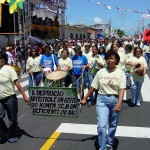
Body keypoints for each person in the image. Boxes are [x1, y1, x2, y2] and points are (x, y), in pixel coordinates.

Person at [80, 50, 126, 150]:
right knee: (102, 126)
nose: (110, 60)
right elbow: (93, 87)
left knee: (113, 124)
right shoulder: (101, 72)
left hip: (115, 99)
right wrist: (85, 98)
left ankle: (109, 143)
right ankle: (102, 147)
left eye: (112, 58)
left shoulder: (121, 73)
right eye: (108, 58)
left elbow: (122, 89)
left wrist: (119, 103)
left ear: (116, 60)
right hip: (102, 100)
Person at [0, 51, 29, 143]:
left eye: (0, 58)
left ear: (4, 59)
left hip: (10, 98)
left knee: (12, 118)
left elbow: (17, 83)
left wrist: (24, 95)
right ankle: (4, 131)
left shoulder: (9, 69)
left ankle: (12, 136)